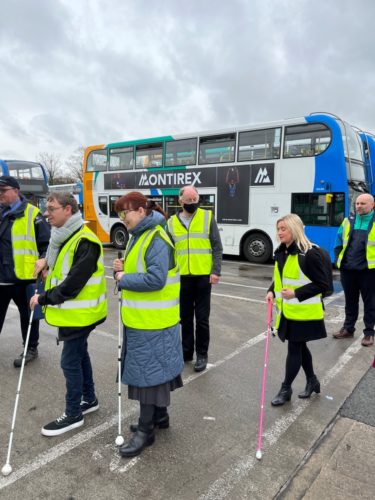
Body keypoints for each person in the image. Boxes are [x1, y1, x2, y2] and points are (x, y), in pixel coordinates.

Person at [30, 192, 107, 436]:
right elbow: (60, 264)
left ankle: (73, 413)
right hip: (72, 314)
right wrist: (45, 261)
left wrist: (42, 299)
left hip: (81, 315)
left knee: (69, 361)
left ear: (68, 210)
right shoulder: (62, 237)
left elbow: (72, 285)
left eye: (52, 208)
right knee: (80, 355)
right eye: (47, 208)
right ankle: (89, 399)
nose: (46, 213)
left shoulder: (85, 241)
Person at [113, 193, 183, 458]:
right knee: (155, 373)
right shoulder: (140, 235)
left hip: (153, 323)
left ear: (141, 211)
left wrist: (123, 277)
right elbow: (137, 269)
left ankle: (146, 431)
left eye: (125, 213)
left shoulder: (155, 237)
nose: (122, 219)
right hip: (146, 320)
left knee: (148, 378)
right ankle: (160, 417)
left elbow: (155, 279)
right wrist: (122, 267)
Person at [266, 214, 330, 406]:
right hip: (289, 312)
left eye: (283, 229)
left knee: (294, 348)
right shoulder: (281, 252)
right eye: (278, 229)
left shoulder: (310, 254)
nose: (279, 233)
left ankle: (286, 389)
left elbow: (323, 284)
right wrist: (271, 291)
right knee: (300, 347)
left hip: (305, 314)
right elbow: (281, 277)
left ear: (294, 229)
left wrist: (296, 293)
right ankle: (312, 381)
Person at [167, 185, 223, 372]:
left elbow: (217, 246)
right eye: (189, 200)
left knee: (202, 319)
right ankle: (186, 351)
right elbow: (167, 251)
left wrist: (215, 271)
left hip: (203, 277)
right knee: (184, 318)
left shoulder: (207, 217)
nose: (192, 203)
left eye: (195, 200)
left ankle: (201, 354)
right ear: (180, 201)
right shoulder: (171, 223)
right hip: (181, 278)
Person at [0, 175, 50, 367]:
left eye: (3, 191)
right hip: (1, 278)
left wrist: (44, 261)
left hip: (24, 278)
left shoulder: (33, 214)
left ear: (16, 191)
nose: (0, 194)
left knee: (28, 316)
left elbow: (47, 244)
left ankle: (30, 348)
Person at [333, 193, 375, 347]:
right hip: (348, 270)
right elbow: (338, 243)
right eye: (357, 203)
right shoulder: (347, 221)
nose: (359, 206)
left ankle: (369, 333)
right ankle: (348, 329)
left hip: (369, 271)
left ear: (372, 205)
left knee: (370, 303)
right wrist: (339, 261)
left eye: (363, 203)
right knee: (350, 301)